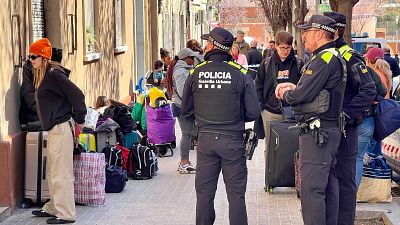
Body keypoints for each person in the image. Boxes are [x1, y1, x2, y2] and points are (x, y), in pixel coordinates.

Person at [181, 27, 260, 225]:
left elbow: (186, 110)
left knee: (205, 195)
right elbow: (253, 112)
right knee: (236, 195)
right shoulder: (241, 73)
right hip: (233, 141)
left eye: (208, 42)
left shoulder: (196, 72)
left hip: (205, 140)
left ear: (212, 46)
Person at [275, 15, 346, 225]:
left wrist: (286, 93)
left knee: (311, 190)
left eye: (307, 32)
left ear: (318, 33)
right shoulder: (331, 56)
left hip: (318, 134)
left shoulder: (324, 59)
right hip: (328, 131)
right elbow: (313, 90)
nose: (304, 37)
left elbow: (301, 96)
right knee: (328, 188)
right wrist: (296, 88)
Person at [324, 11, 377, 225]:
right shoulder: (327, 55)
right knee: (330, 180)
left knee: (344, 181)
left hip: (346, 129)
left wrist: (345, 114)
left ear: (335, 32)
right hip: (329, 129)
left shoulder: (349, 56)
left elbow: (368, 89)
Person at [29, 38, 86, 224]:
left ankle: (66, 214)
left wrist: (80, 120)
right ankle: (54, 207)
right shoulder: (43, 74)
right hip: (54, 129)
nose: (31, 60)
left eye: (34, 56)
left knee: (62, 173)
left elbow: (77, 95)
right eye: (29, 57)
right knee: (53, 173)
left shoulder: (53, 74)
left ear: (44, 57)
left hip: (61, 128)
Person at [255, 30, 303, 153]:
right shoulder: (266, 63)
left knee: (292, 147)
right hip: (270, 111)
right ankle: (271, 172)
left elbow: (303, 86)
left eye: (288, 48)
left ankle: (290, 172)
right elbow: (258, 85)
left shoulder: (298, 63)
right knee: (271, 148)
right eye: (282, 47)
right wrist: (262, 108)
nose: (285, 51)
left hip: (292, 111)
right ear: (276, 46)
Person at [164, 48, 197, 174]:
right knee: (186, 134)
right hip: (182, 107)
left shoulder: (180, 69)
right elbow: (184, 92)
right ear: (185, 58)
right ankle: (184, 162)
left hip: (179, 105)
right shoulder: (181, 71)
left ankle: (184, 162)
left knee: (186, 134)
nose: (193, 60)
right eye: (192, 58)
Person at [365, 47, 393, 156]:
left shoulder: (375, 74)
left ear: (369, 60)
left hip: (376, 111)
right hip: (383, 113)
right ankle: (376, 170)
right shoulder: (386, 73)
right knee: (377, 146)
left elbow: (373, 94)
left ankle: (369, 171)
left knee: (368, 150)